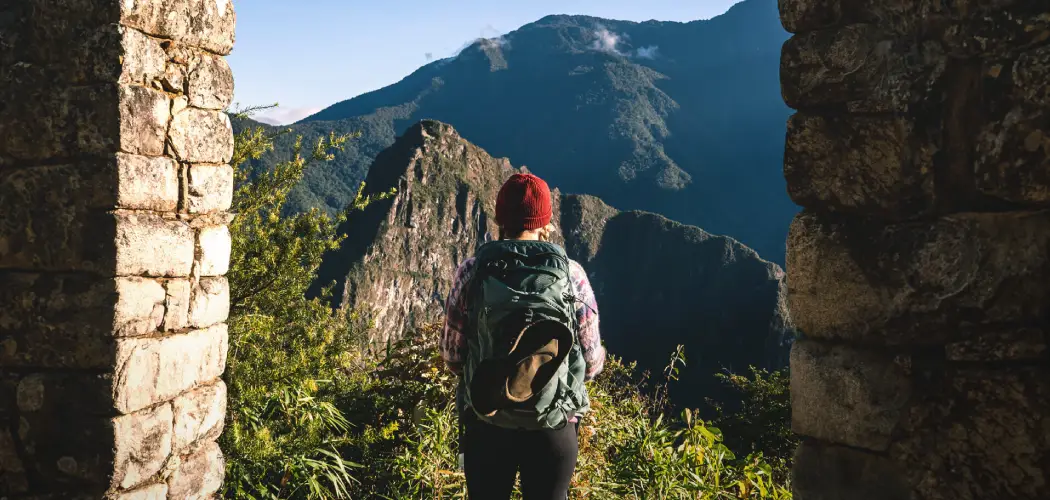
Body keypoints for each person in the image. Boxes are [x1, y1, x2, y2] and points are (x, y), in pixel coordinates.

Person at [441, 173, 606, 500]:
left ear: (499, 218)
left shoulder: (472, 272)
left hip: (488, 423)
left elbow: (452, 357)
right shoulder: (572, 275)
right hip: (553, 425)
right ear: (546, 222)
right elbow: (591, 361)